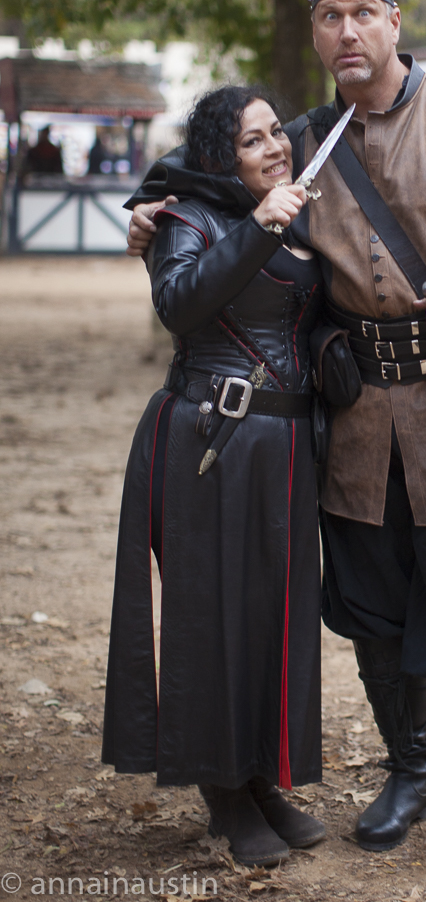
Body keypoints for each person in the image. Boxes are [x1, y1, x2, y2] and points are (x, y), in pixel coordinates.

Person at [128, 0, 426, 897]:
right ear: (316, 33)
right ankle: (409, 775)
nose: (345, 32)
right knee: (377, 610)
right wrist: (147, 214)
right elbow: (206, 181)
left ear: (393, 20)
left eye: (361, 14)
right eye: (327, 17)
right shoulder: (303, 137)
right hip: (352, 422)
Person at [103, 85, 326, 868]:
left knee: (271, 618)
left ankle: (260, 777)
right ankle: (224, 796)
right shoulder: (186, 217)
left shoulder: (297, 210)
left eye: (276, 133)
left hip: (289, 448)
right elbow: (179, 304)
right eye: (250, 141)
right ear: (214, 157)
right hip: (211, 438)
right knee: (212, 619)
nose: (273, 148)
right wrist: (256, 228)